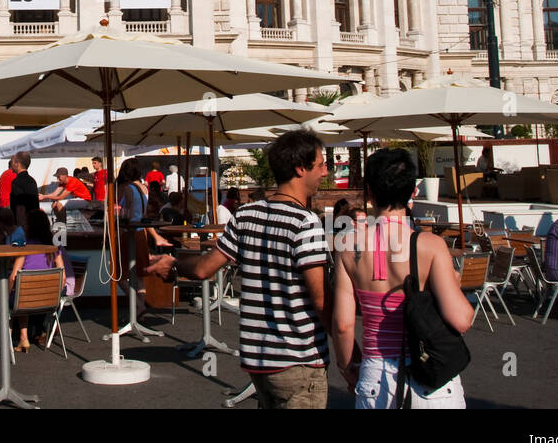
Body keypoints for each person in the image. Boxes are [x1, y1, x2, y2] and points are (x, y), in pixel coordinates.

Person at [147, 131, 332, 409]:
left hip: (258, 359)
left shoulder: (246, 214)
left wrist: (174, 263)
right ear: (300, 168)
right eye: (321, 164)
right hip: (298, 359)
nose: (325, 172)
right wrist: (348, 350)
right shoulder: (306, 223)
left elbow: (202, 269)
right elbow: (320, 300)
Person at [332, 148, 470, 408]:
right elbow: (461, 319)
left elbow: (343, 325)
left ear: (369, 192)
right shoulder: (430, 246)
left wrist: (347, 367)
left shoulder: (349, 247)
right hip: (430, 375)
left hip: (376, 375)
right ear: (413, 192)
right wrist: (455, 284)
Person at [8, 209, 65, 352]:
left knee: (16, 297)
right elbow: (62, 275)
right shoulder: (53, 247)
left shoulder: (25, 247)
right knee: (22, 294)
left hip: (26, 297)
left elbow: (13, 276)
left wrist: (7, 293)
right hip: (48, 298)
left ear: (30, 226)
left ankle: (23, 337)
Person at [10, 152, 40, 226]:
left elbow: (20, 207)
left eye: (12, 162)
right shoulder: (32, 180)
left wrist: (20, 229)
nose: (11, 164)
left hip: (24, 225)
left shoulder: (17, 182)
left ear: (17, 163)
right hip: (34, 222)